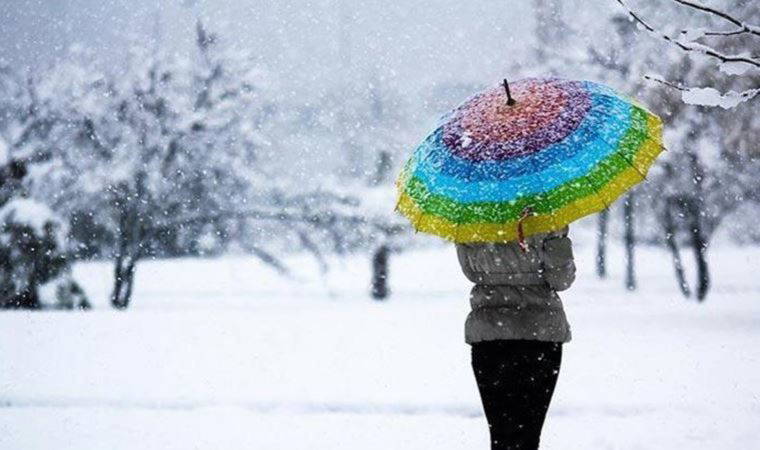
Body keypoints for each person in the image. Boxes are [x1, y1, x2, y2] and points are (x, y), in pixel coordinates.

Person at [455, 226, 575, 450]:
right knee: (529, 434)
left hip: (490, 333)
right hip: (540, 334)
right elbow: (561, 279)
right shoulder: (548, 217)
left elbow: (471, 272)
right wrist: (557, 236)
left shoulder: (472, 218)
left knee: (501, 434)